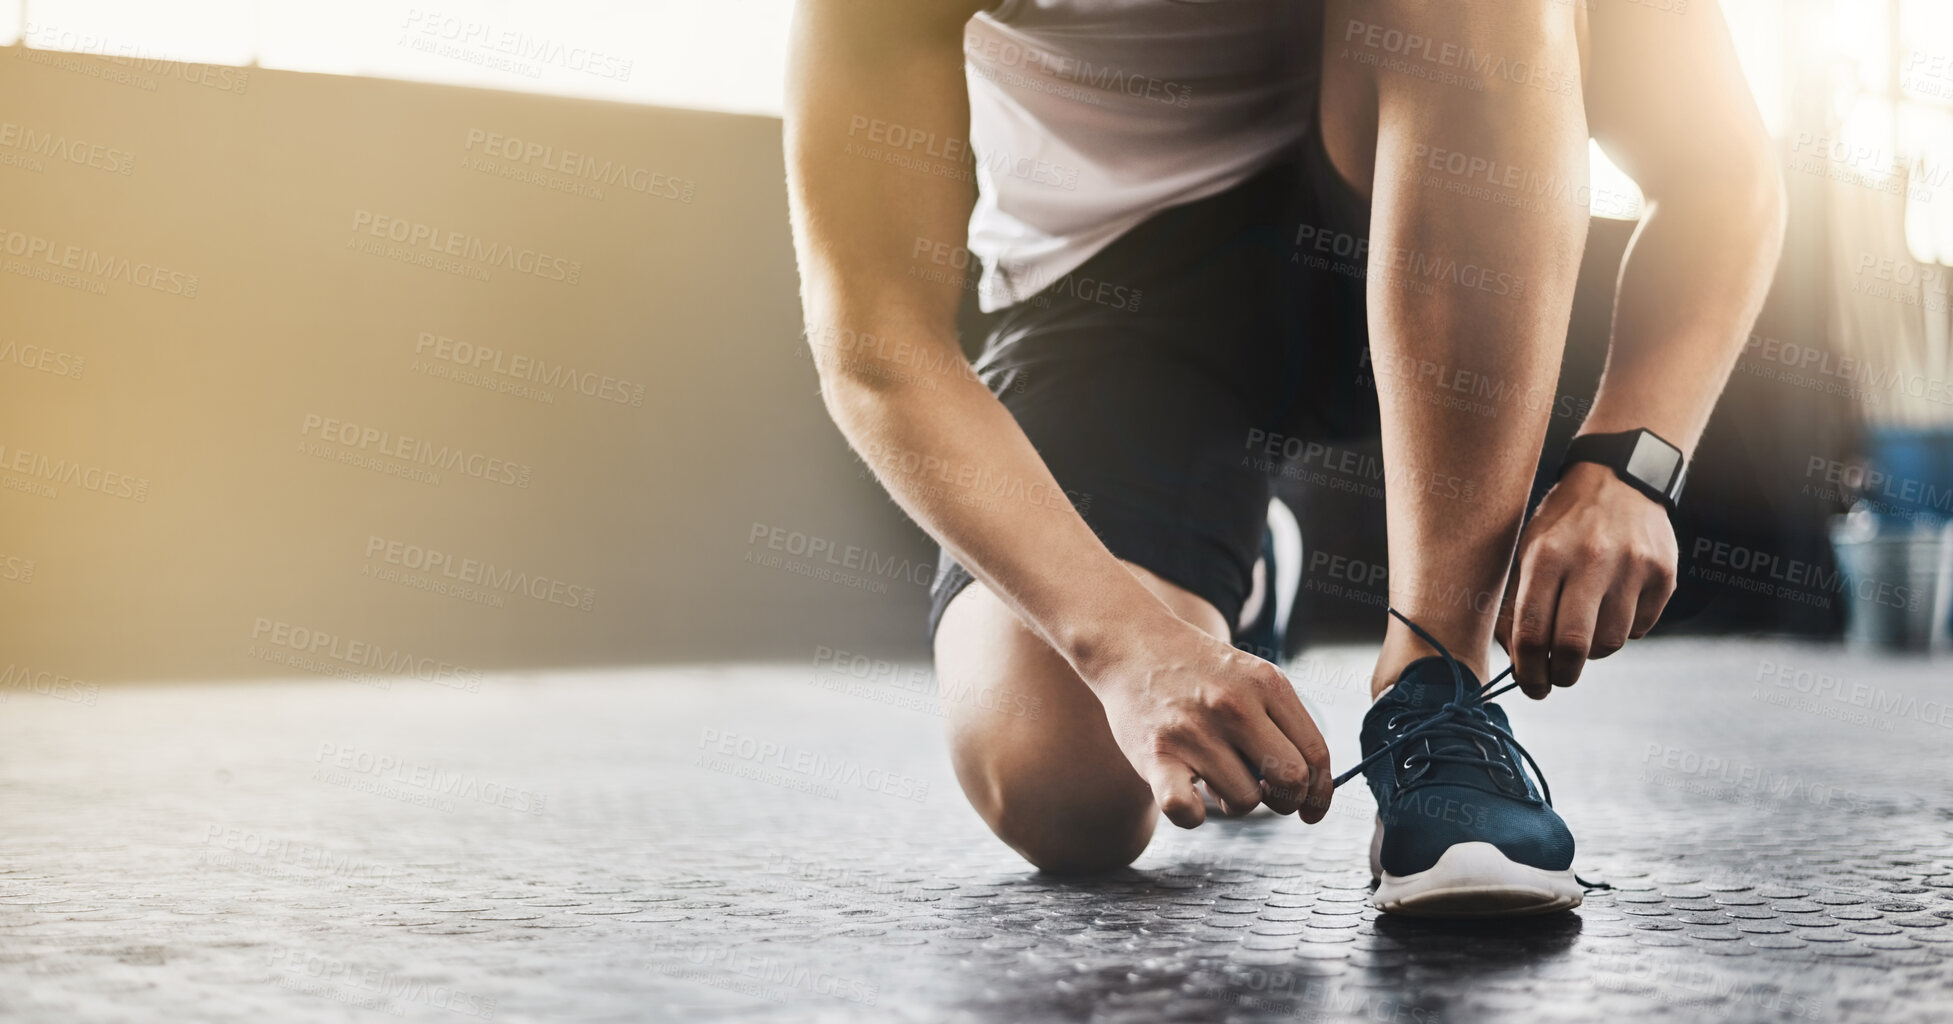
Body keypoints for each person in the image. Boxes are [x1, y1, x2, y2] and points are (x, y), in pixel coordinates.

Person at [783, 0, 1783, 915]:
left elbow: (1719, 170)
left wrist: (1629, 461)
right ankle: (1246, 573)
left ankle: (1434, 694)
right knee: (1060, 789)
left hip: (1436, 219)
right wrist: (1127, 643)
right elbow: (877, 347)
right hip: (1113, 300)